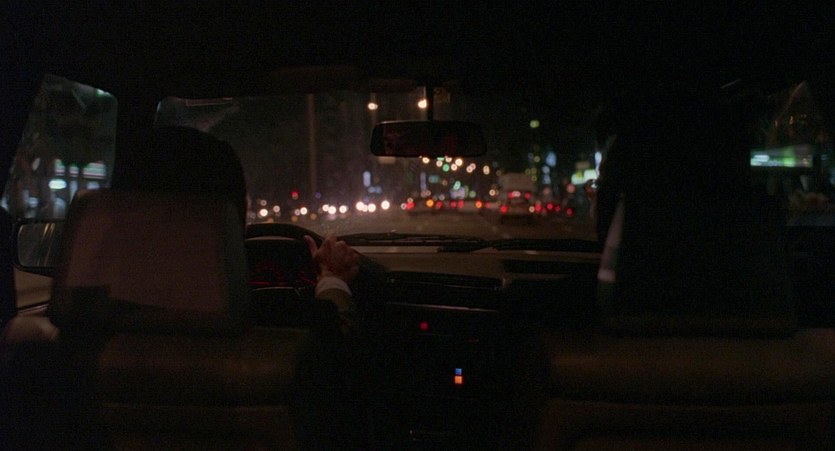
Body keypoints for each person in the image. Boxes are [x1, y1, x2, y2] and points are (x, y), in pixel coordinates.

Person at [111, 125, 360, 330]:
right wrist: (332, 280)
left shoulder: (99, 321)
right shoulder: (275, 320)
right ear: (233, 216)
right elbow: (340, 340)